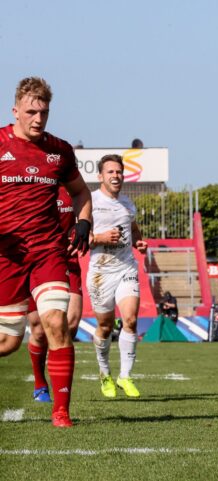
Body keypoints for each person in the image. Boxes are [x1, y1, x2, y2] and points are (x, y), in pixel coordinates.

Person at [0, 77, 92, 427]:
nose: (38, 119)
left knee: (56, 323)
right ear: (15, 111)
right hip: (7, 255)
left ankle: (62, 412)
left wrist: (83, 222)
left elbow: (81, 193)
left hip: (47, 252)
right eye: (31, 112)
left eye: (44, 112)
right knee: (7, 342)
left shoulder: (60, 150)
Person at [88, 154, 148, 399]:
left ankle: (125, 376)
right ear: (100, 176)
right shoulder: (89, 202)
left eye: (119, 172)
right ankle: (105, 374)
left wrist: (138, 242)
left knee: (131, 319)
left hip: (126, 267)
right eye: (110, 172)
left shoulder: (127, 203)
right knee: (104, 326)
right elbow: (76, 236)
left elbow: (132, 228)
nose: (116, 176)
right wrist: (100, 238)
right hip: (101, 272)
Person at [26, 186, 85, 403]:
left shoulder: (73, 188)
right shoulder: (29, 184)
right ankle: (40, 383)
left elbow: (86, 213)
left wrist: (88, 230)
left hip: (67, 258)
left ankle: (61, 400)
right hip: (36, 260)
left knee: (70, 322)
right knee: (40, 330)